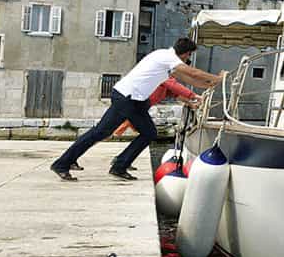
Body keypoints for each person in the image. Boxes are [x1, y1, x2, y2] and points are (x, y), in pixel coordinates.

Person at [50, 38, 222, 182]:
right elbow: (191, 72)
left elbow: (187, 78)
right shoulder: (166, 56)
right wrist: (216, 78)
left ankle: (119, 166)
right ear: (185, 53)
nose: (188, 58)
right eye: (189, 55)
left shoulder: (167, 62)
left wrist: (211, 84)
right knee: (100, 132)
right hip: (127, 97)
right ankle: (63, 163)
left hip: (136, 101)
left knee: (148, 133)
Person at [112, 77, 195, 138]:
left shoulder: (166, 86)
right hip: (138, 103)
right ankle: (112, 134)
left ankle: (114, 134)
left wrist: (190, 103)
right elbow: (174, 86)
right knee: (128, 123)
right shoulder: (165, 77)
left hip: (142, 105)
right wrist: (194, 96)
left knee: (132, 124)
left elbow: (176, 95)